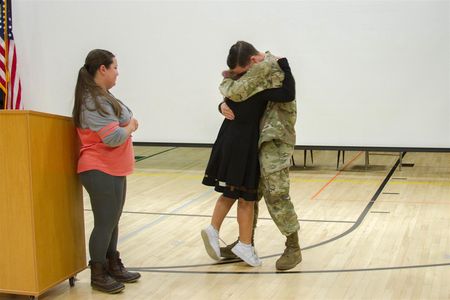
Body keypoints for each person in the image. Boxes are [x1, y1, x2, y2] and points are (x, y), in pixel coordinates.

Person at [201, 41, 296, 267]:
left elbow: (233, 91)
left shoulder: (256, 76)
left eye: (239, 71)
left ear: (252, 62)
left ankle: (241, 240)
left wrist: (223, 103)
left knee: (239, 193)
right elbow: (287, 92)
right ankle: (244, 244)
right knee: (247, 196)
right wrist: (286, 65)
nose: (238, 75)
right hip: (245, 143)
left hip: (244, 141)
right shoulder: (254, 81)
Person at [72, 49, 141, 294]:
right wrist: (130, 126)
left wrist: (127, 123)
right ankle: (98, 272)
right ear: (102, 69)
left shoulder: (103, 96)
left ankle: (112, 262)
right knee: (104, 222)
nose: (117, 73)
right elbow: (112, 137)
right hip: (98, 167)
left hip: (113, 167)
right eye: (115, 68)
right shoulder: (93, 101)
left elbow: (120, 121)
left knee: (112, 221)